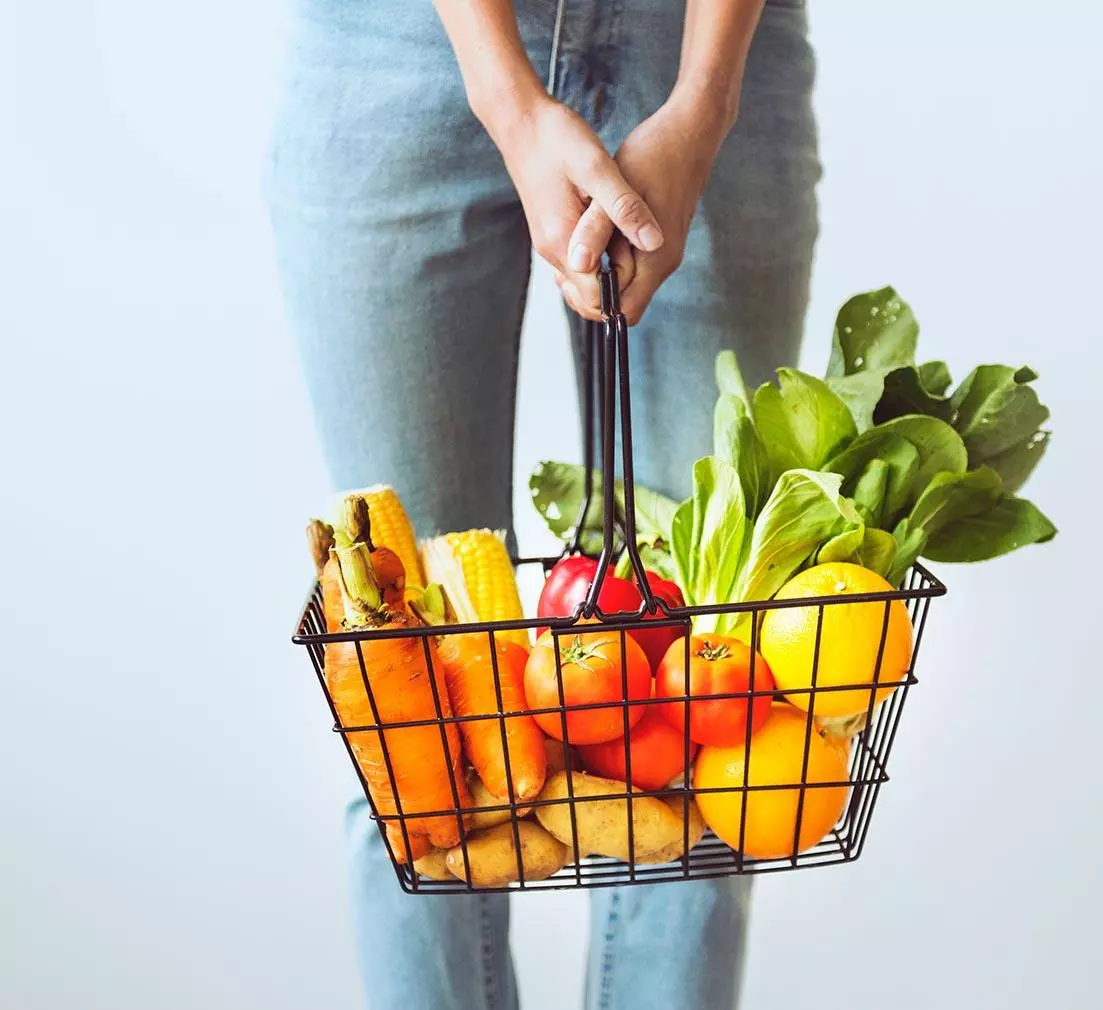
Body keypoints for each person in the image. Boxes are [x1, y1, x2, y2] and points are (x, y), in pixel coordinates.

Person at [266, 0, 819, 1006]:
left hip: (703, 44)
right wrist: (503, 93)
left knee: (718, 712)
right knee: (408, 719)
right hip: (398, 45)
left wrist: (704, 100)